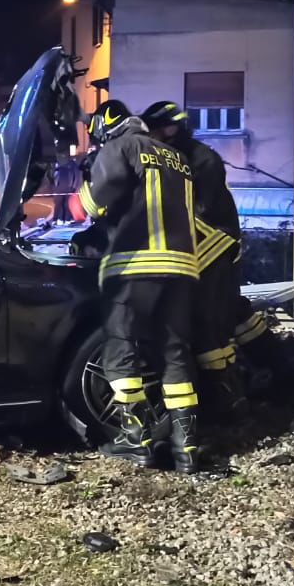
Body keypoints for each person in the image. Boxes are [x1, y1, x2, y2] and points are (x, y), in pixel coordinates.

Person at [77, 100, 203, 472]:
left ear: (105, 127)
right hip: (182, 268)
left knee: (121, 348)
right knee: (176, 353)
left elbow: (96, 206)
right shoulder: (176, 158)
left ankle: (137, 441)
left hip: (136, 265)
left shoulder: (119, 148)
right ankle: (187, 450)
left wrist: (84, 179)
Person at [141, 101, 247, 415]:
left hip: (214, 241)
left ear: (173, 127)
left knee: (207, 318)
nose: (154, 135)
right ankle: (225, 392)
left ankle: (225, 399)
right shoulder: (176, 156)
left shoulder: (203, 160)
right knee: (217, 316)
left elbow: (197, 211)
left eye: (158, 128)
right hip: (200, 242)